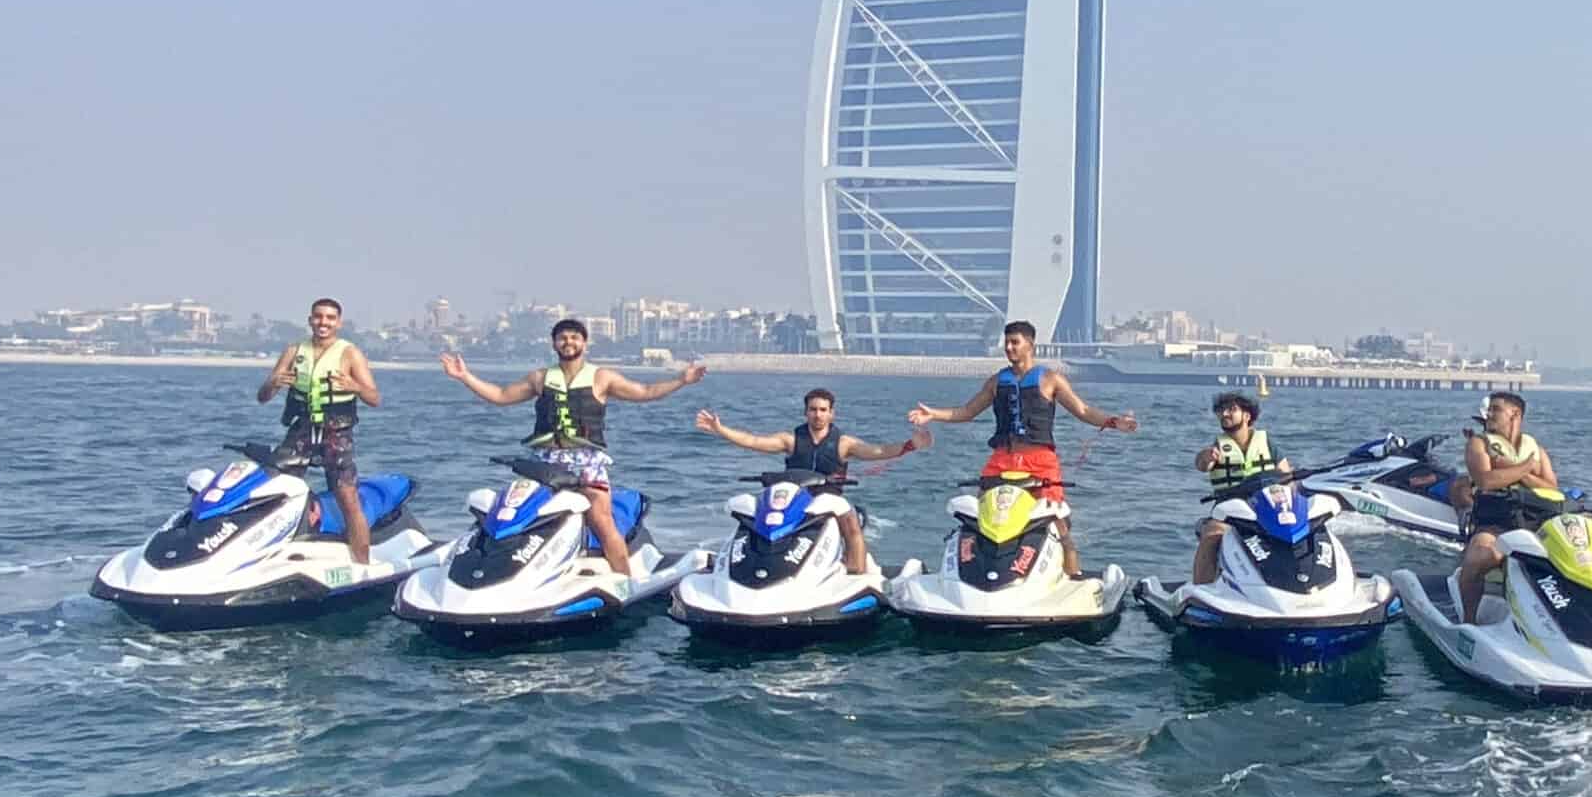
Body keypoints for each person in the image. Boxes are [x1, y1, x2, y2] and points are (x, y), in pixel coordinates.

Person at [436, 320, 705, 578]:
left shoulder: (601, 377)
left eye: (574, 337)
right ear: (554, 344)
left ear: (585, 344)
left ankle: (625, 579)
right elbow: (500, 396)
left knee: (601, 520)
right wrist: (464, 376)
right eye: (562, 338)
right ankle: (517, 571)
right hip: (545, 461)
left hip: (585, 461)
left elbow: (645, 391)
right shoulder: (540, 378)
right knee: (524, 514)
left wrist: (681, 380)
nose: (568, 342)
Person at [908, 319, 1138, 579]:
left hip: (1040, 460)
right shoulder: (997, 381)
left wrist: (1113, 421)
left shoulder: (1051, 379)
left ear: (1030, 345)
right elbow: (968, 411)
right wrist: (933, 415)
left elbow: (1083, 410)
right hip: (1002, 459)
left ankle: (1073, 578)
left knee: (1057, 521)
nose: (1009, 347)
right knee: (985, 517)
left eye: (1015, 342)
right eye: (1006, 342)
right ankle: (980, 572)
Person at [693, 390, 930, 574]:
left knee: (848, 520)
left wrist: (911, 445)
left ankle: (856, 569)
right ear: (806, 412)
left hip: (829, 500)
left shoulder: (844, 443)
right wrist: (721, 430)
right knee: (755, 516)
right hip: (795, 499)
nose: (818, 414)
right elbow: (753, 441)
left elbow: (879, 451)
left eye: (823, 409)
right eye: (813, 409)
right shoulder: (791, 440)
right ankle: (745, 563)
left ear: (831, 413)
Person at [258, 298, 381, 567]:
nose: (323, 322)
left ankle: (362, 564)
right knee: (276, 490)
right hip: (301, 430)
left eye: (329, 318)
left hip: (335, 434)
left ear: (338, 322)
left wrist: (354, 385)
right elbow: (262, 397)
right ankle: (272, 554)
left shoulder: (350, 354)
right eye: (318, 317)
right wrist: (274, 383)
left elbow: (374, 398)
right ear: (310, 319)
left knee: (347, 496)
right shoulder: (294, 351)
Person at [1453, 390, 1561, 622]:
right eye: (1489, 409)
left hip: (1536, 523)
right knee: (1478, 558)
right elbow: (1486, 480)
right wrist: (1526, 468)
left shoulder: (1536, 450)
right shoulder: (1478, 444)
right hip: (1496, 524)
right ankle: (1468, 621)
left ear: (1515, 414)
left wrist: (1510, 467)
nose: (1489, 414)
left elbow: (1552, 489)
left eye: (1496, 409)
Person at [1191, 392, 1292, 584]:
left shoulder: (1267, 443)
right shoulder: (1218, 447)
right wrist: (1206, 457)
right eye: (1221, 410)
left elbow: (1287, 475)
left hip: (1265, 507)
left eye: (1232, 409)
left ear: (1247, 416)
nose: (1225, 414)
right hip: (1229, 511)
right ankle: (1201, 589)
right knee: (1212, 533)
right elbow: (1203, 465)